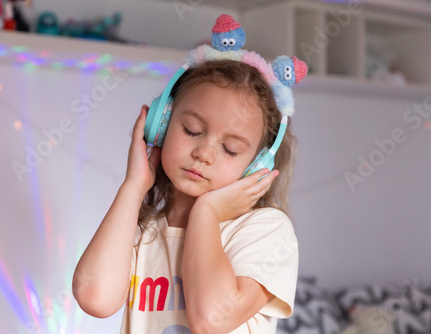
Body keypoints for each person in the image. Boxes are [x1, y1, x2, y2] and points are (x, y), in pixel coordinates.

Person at [73, 15, 302, 334]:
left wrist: (207, 213)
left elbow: (212, 319)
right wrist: (134, 186)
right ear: (161, 124)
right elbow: (94, 297)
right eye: (192, 130)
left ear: (256, 165)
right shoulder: (145, 230)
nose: (204, 153)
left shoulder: (264, 231)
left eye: (231, 149)